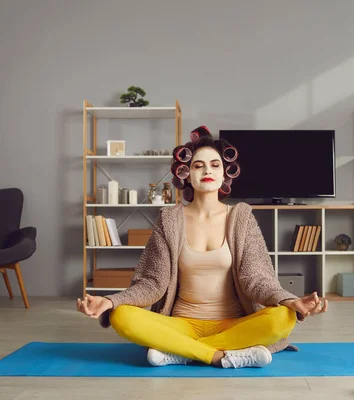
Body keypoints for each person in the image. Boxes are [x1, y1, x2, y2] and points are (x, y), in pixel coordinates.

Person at [77, 125, 328, 369]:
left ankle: (179, 351)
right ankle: (218, 356)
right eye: (198, 165)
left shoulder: (241, 218)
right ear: (186, 173)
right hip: (181, 322)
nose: (207, 170)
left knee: (283, 317)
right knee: (122, 316)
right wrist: (111, 302)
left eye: (215, 165)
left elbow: (257, 278)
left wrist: (290, 300)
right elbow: (152, 283)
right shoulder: (169, 220)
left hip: (234, 324)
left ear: (224, 173)